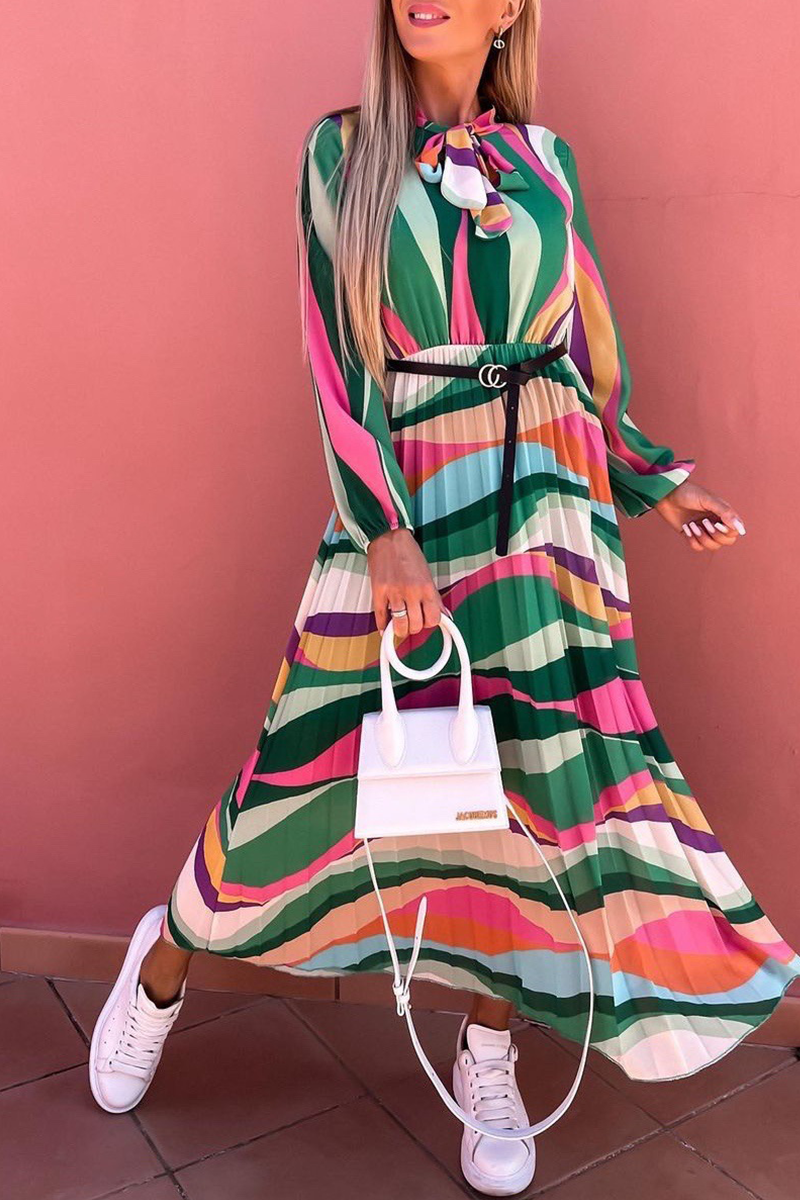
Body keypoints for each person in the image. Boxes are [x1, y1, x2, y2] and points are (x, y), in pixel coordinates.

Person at [88, 1, 800, 1195]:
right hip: (410, 496)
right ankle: (163, 961)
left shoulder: (545, 160)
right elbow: (334, 355)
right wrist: (383, 532)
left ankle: (489, 1050)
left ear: (508, 5)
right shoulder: (341, 151)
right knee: (304, 761)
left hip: (548, 506)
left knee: (527, 790)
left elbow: (584, 347)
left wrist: (651, 478)